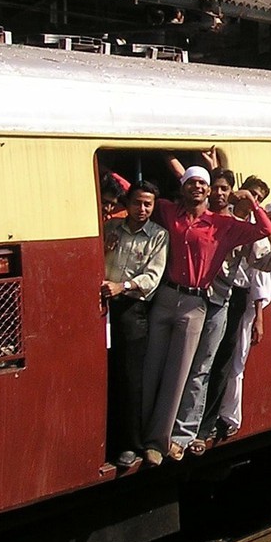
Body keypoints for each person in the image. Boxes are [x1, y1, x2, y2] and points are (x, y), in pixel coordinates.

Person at [139, 166, 271, 465]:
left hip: (196, 302)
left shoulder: (223, 225)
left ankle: (161, 441)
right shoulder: (168, 211)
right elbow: (138, 197)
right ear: (184, 187)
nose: (198, 188)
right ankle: (143, 433)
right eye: (193, 183)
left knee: (181, 372)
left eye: (203, 183)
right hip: (165, 296)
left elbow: (266, 232)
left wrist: (253, 204)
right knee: (151, 367)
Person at [204, 200, 271, 443]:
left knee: (235, 364)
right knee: (215, 360)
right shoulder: (252, 241)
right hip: (231, 303)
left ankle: (229, 418)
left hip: (248, 312)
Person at [101, 180, 168, 469]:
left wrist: (122, 286)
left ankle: (130, 444)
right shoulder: (110, 230)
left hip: (132, 307)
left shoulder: (158, 236)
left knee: (131, 378)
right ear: (127, 203)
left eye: (148, 204)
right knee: (108, 372)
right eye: (138, 202)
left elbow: (152, 278)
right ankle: (109, 439)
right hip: (104, 306)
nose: (142, 209)